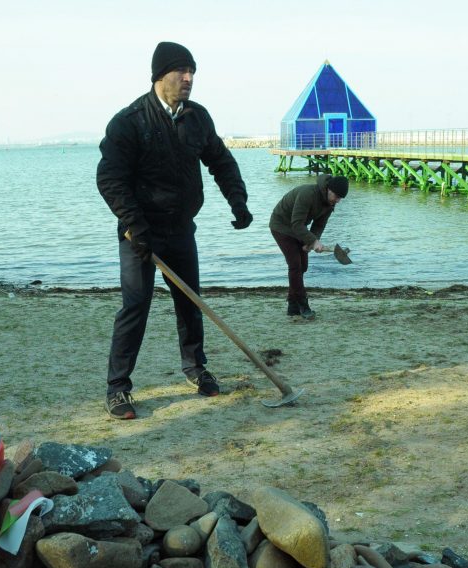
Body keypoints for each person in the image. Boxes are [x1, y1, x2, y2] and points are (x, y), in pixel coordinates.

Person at [97, 41, 252, 420]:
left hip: (181, 229)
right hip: (140, 234)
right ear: (159, 76)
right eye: (181, 72)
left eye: (192, 72)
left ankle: (195, 369)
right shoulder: (129, 121)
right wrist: (136, 226)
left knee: (190, 302)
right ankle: (118, 389)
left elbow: (220, 160)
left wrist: (238, 200)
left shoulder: (196, 118)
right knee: (135, 307)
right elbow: (110, 179)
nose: (189, 78)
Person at [269, 175, 349, 319]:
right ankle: (303, 306)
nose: (338, 201)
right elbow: (296, 223)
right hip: (281, 225)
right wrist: (312, 241)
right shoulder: (307, 194)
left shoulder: (330, 204)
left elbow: (319, 225)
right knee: (295, 265)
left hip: (299, 229)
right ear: (328, 189)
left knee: (303, 266)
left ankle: (292, 306)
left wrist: (312, 241)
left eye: (340, 198)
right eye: (337, 196)